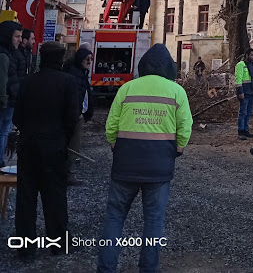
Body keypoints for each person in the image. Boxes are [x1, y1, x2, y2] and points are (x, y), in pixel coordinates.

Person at [97, 44, 192, 273]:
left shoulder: (127, 88)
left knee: (115, 217)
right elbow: (185, 126)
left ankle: (106, 268)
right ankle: (149, 268)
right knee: (154, 220)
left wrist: (116, 146)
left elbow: (111, 125)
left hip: (125, 163)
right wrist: (178, 149)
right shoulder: (176, 91)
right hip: (159, 167)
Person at [13, 42, 79, 258]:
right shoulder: (67, 82)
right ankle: (58, 243)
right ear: (60, 58)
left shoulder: (27, 82)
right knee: (55, 196)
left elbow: (17, 117)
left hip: (28, 145)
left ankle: (25, 248)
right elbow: (72, 118)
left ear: (42, 57)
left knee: (26, 197)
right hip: (54, 145)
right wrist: (63, 139)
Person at [66, 48, 94, 186]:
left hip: (77, 114)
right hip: (74, 116)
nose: (89, 62)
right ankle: (67, 173)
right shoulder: (76, 75)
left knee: (73, 144)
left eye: (91, 59)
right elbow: (75, 96)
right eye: (87, 59)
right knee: (73, 144)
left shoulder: (81, 73)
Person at [0, 20, 23, 168]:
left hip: (9, 100)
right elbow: (3, 81)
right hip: (5, 102)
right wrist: (3, 100)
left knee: (5, 131)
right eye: (17, 36)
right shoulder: (4, 55)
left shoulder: (10, 53)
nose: (20, 40)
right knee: (3, 132)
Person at [235, 47, 253, 140]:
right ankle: (241, 131)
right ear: (247, 55)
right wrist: (240, 91)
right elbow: (238, 79)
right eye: (252, 55)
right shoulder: (241, 65)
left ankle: (246, 130)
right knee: (243, 112)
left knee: (249, 113)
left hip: (252, 93)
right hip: (245, 92)